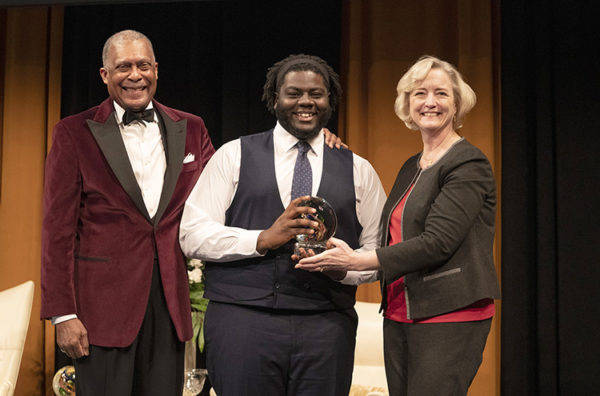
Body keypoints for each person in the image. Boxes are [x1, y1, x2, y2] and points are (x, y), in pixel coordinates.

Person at [179, 54, 386, 396]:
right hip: (242, 322)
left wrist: (342, 268)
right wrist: (262, 238)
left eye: (316, 94)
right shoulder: (233, 155)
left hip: (326, 325)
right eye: (293, 93)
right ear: (275, 99)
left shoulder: (358, 169)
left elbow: (378, 250)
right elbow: (192, 234)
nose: (305, 101)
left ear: (329, 100)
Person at [296, 55, 501, 395]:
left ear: (457, 102)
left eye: (441, 93)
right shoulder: (412, 165)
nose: (430, 102)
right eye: (420, 93)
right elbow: (394, 234)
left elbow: (438, 242)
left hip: (449, 312)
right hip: (400, 311)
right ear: (407, 103)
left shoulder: (468, 163)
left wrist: (357, 261)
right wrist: (329, 149)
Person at [40, 30, 216, 395]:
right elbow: (57, 231)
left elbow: (226, 187)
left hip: (169, 306)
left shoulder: (192, 127)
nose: (135, 75)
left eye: (143, 65)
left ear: (156, 70)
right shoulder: (73, 133)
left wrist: (313, 142)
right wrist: (63, 314)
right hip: (101, 313)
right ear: (105, 74)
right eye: (123, 67)